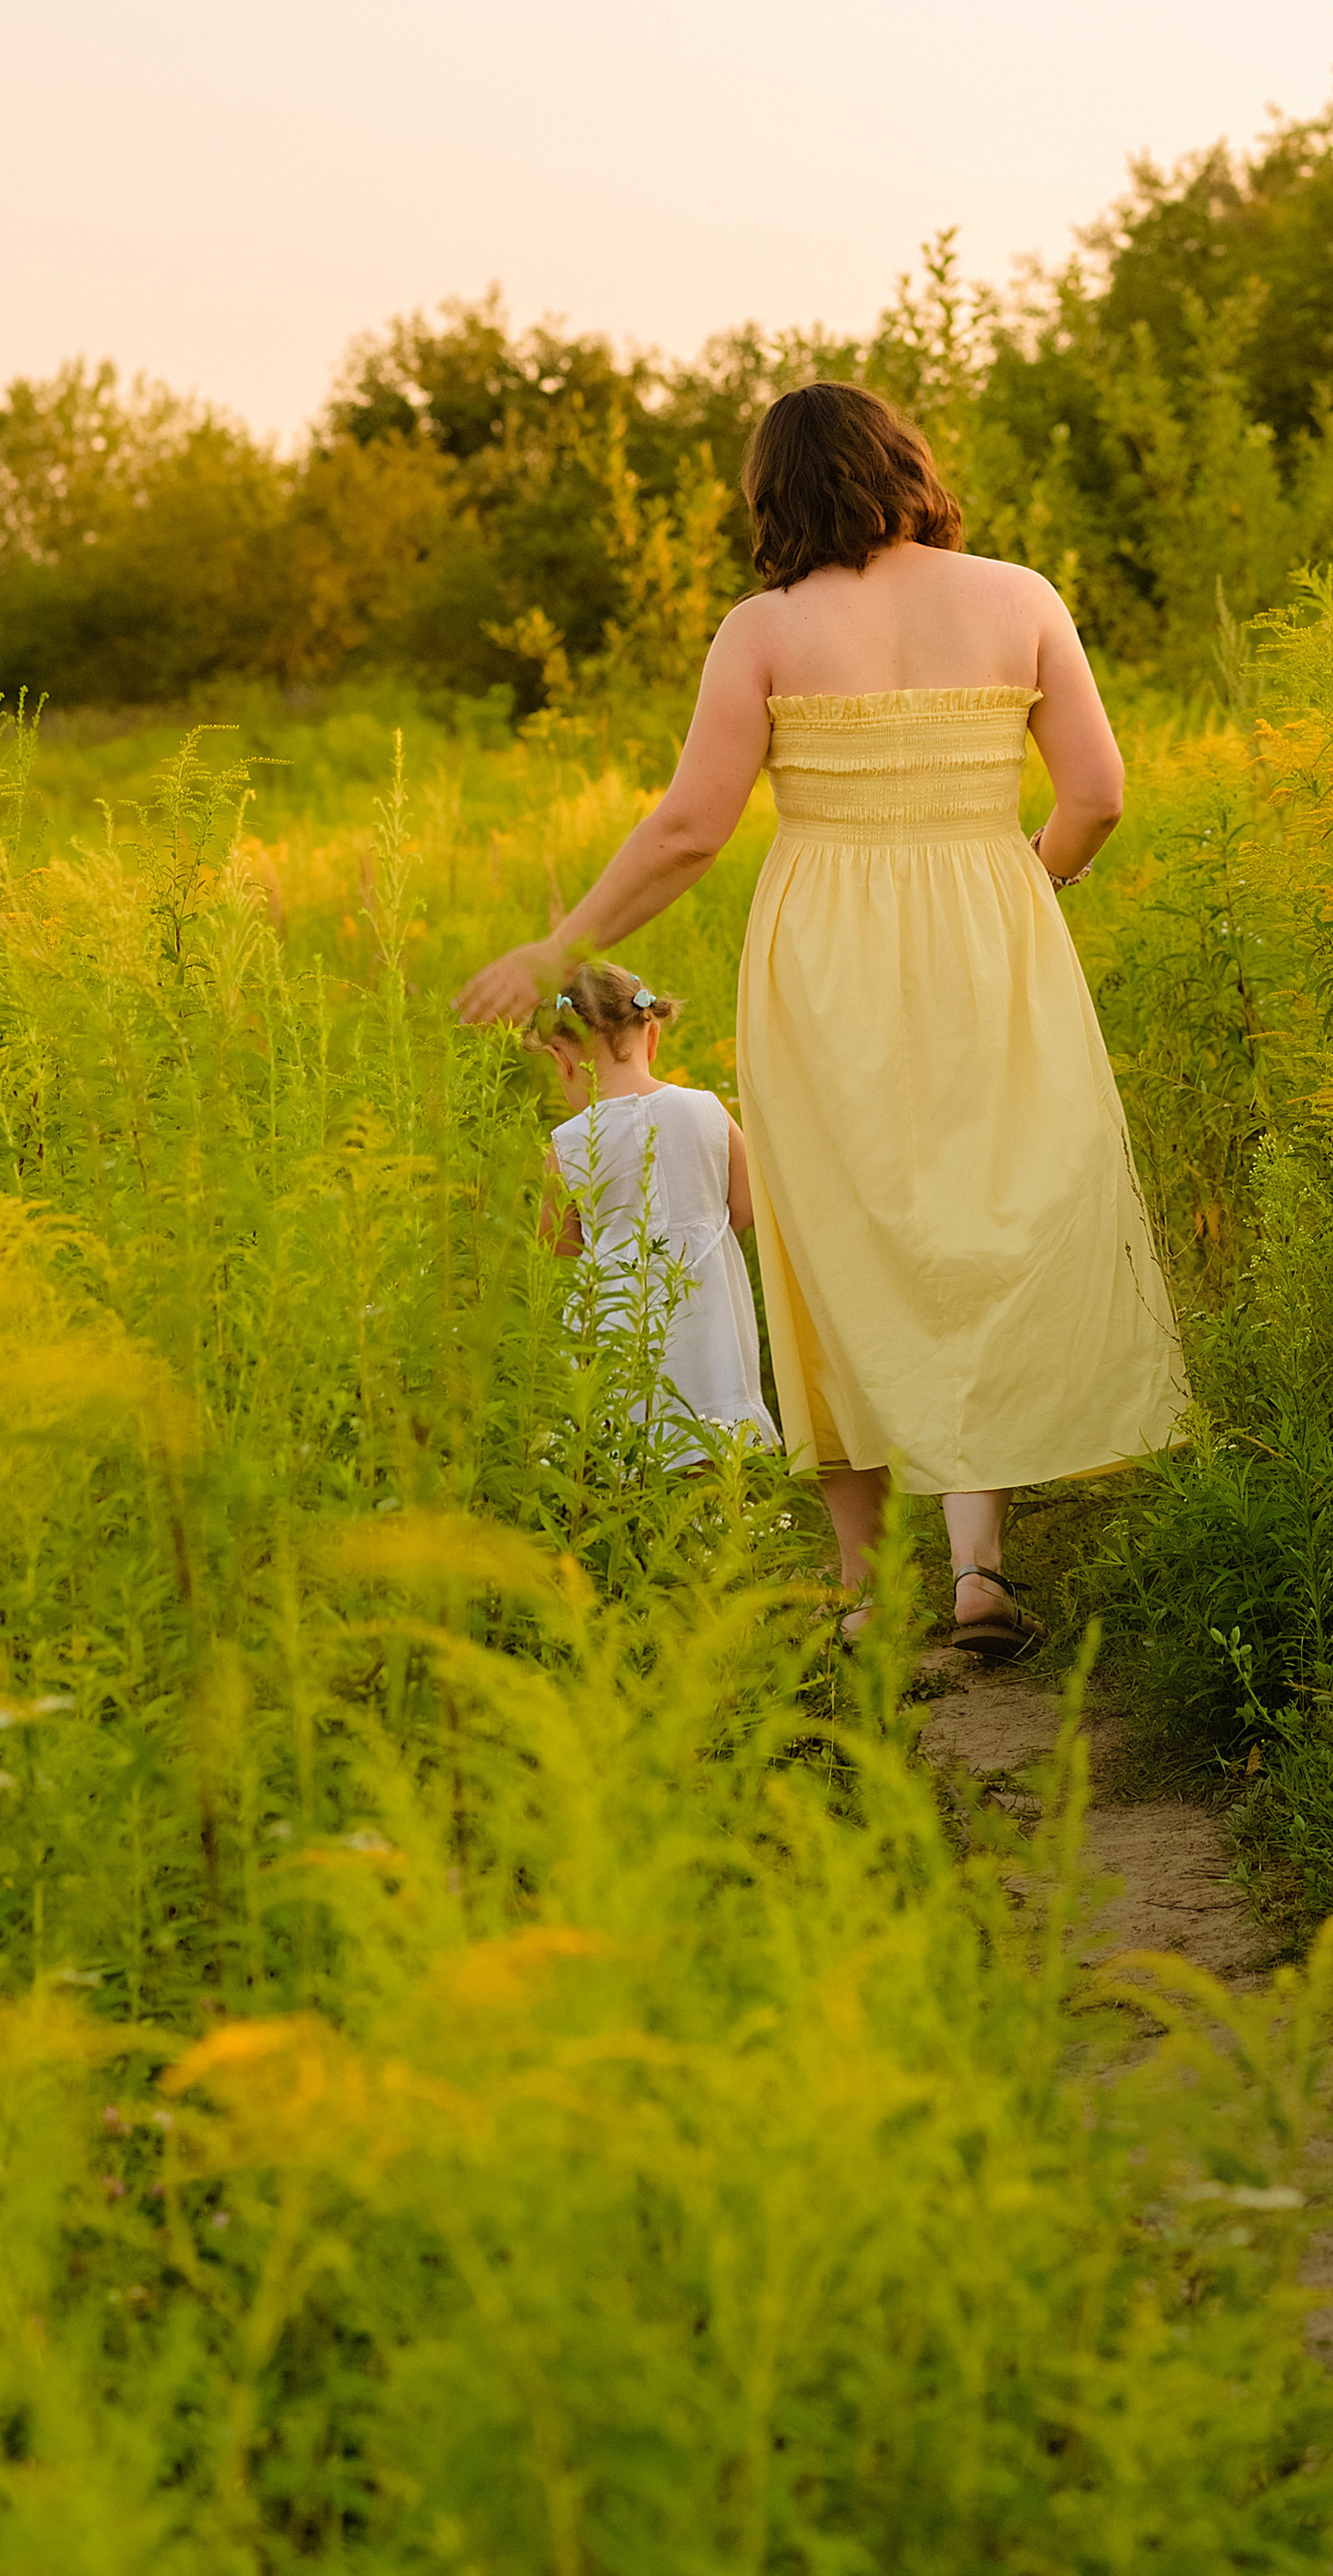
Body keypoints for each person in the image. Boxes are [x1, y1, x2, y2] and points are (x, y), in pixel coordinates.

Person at [459, 378, 1186, 1654]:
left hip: (825, 953)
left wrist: (561, 945)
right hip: (990, 929)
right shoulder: (1019, 598)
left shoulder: (763, 630)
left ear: (771, 496)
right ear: (906, 463)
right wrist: (1033, 879)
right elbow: (1099, 793)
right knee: (984, 1216)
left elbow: (691, 827)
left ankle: (863, 1590)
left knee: (832, 1230)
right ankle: (979, 1572)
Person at [534, 960, 779, 1460]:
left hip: (620, 1324)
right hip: (710, 1314)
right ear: (651, 1036)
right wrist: (695, 1237)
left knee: (627, 1451)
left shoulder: (570, 1144)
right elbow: (749, 1205)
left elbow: (556, 1243)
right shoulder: (708, 1108)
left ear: (562, 1059)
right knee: (712, 1446)